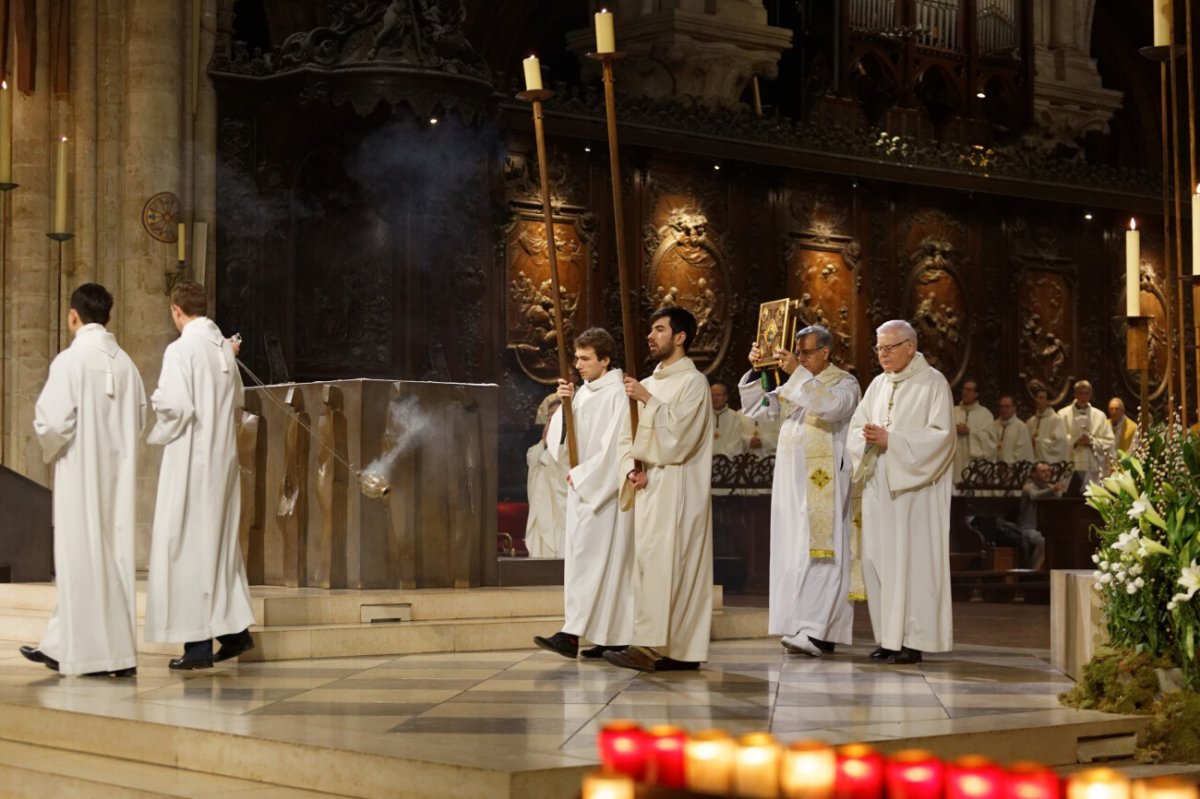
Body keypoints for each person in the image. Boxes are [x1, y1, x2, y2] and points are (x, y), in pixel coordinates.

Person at [20, 284, 146, 677]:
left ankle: (90, 656)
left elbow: (52, 422)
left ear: (73, 315)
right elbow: (139, 419)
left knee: (79, 560)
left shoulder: (70, 361)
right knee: (114, 561)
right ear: (108, 317)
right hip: (118, 480)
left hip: (81, 475)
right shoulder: (127, 364)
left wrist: (54, 444)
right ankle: (70, 647)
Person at [145, 281, 256, 670]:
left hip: (192, 462)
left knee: (187, 548)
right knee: (217, 547)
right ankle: (234, 633)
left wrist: (156, 401)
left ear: (176, 310)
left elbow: (174, 406)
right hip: (222, 462)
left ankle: (196, 648)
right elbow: (239, 401)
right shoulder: (223, 349)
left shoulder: (181, 349)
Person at [738, 324, 860, 657]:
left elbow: (832, 407)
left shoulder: (845, 383)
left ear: (825, 352)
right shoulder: (796, 382)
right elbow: (760, 409)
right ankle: (798, 624)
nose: (800, 358)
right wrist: (758, 368)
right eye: (798, 352)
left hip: (824, 483)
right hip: (791, 482)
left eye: (806, 352)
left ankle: (820, 631)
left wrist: (795, 374)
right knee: (794, 551)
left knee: (823, 552)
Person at [604, 307, 714, 673]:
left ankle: (677, 650)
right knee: (650, 566)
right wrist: (631, 469)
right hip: (649, 489)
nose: (650, 337)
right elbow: (626, 435)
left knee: (677, 565)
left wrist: (648, 401)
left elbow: (681, 436)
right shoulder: (649, 383)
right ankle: (651, 643)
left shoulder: (693, 383)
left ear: (680, 337)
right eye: (651, 330)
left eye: (659, 330)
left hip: (678, 488)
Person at [848, 320, 955, 665]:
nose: (882, 355)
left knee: (911, 563)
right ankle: (888, 638)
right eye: (878, 348)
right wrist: (865, 437)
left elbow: (942, 437)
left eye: (889, 347)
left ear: (910, 346)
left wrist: (893, 440)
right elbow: (856, 427)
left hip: (914, 492)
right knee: (878, 561)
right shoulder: (877, 385)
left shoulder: (933, 383)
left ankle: (912, 640)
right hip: (880, 487)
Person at [533, 328, 633, 659]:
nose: (578, 364)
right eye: (576, 357)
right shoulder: (585, 393)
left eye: (586, 358)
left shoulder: (618, 393)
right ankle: (603, 635)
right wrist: (566, 403)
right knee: (582, 563)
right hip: (581, 485)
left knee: (600, 564)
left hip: (602, 491)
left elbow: (617, 446)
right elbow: (561, 438)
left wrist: (586, 476)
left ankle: (576, 634)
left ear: (605, 360)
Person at [524, 396, 568, 558]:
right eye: (548, 420)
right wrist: (545, 442)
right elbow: (534, 458)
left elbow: (562, 465)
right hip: (540, 512)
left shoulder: (568, 452)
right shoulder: (538, 450)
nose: (549, 425)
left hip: (560, 517)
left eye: (554, 420)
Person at [1057, 380, 1114, 487]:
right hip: (1071, 465)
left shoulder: (1100, 416)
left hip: (1093, 467)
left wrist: (1092, 442)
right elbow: (1058, 439)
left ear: (1091, 395)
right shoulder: (1063, 414)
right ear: (1075, 394)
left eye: (1086, 393)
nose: (1083, 396)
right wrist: (1074, 440)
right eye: (1080, 393)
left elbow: (1109, 441)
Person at [1016, 461, 1063, 571]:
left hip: (1045, 528)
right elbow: (1034, 496)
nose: (1047, 474)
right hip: (1028, 528)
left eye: (1049, 471)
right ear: (1034, 474)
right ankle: (1034, 573)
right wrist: (1052, 490)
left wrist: (1056, 491)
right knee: (1044, 542)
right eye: (1043, 471)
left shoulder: (1051, 487)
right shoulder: (1028, 487)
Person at [952, 378, 995, 488]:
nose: (965, 392)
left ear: (976, 394)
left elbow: (990, 442)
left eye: (969, 390)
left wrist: (970, 433)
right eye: (964, 389)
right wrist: (953, 430)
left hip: (974, 466)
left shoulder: (985, 415)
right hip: (954, 463)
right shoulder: (952, 411)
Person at [1026, 387, 1069, 465]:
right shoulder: (1031, 421)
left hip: (1049, 465)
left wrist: (1038, 443)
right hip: (1032, 464)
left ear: (1048, 401)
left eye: (1041, 398)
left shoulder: (1056, 420)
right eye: (1037, 397)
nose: (1038, 400)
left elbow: (1060, 444)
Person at [710, 382, 750, 459]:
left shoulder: (734, 416)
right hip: (707, 461)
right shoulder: (705, 416)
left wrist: (720, 455)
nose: (715, 398)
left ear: (726, 397)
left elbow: (737, 442)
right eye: (712, 395)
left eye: (718, 395)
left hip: (728, 463)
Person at [993, 394, 1034, 465]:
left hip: (1013, 470)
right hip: (994, 469)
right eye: (1001, 406)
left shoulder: (1021, 427)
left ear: (1014, 408)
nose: (1004, 409)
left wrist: (1007, 466)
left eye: (1007, 406)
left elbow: (1021, 452)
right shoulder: (994, 425)